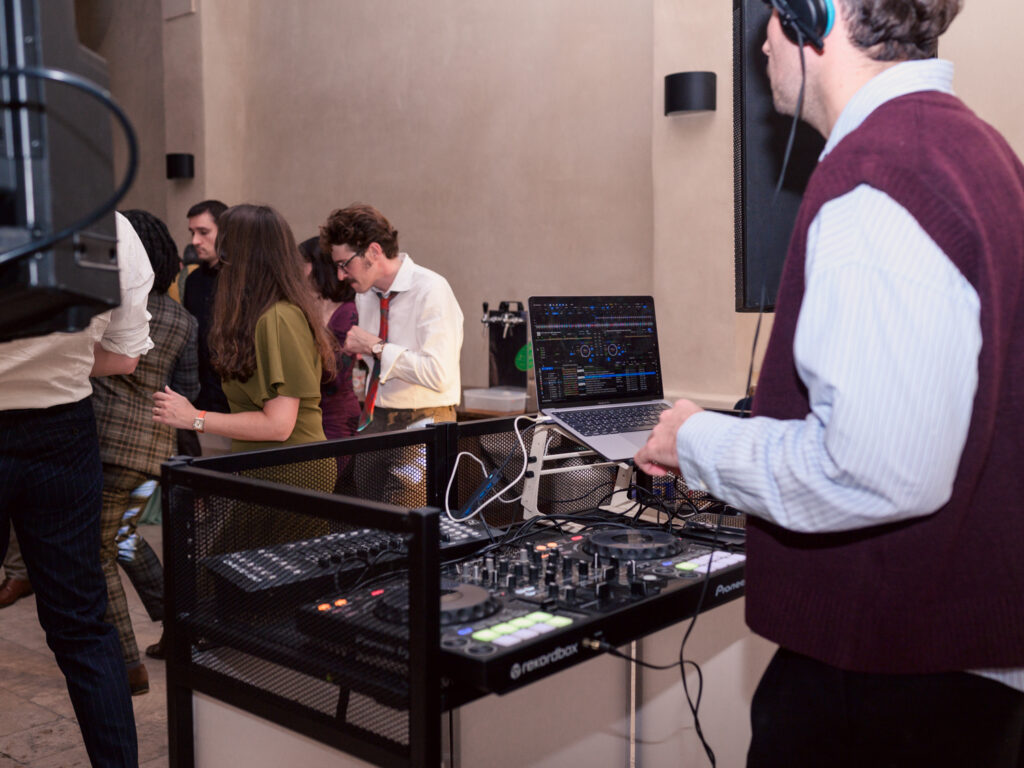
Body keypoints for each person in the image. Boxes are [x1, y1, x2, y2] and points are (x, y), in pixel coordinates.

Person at [635, 1, 1024, 764]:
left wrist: (697, 439)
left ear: (823, 13)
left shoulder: (877, 181)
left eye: (776, 17)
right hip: (950, 673)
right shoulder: (979, 150)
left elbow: (875, 472)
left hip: (892, 685)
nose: (764, 42)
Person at [0, 211, 152, 766]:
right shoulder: (101, 218)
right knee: (84, 625)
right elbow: (127, 354)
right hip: (61, 425)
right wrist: (53, 357)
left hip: (57, 425)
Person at [91, 209, 200, 688]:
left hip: (107, 445)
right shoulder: (183, 318)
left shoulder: (111, 303)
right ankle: (180, 630)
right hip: (154, 449)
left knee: (98, 552)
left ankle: (126, 663)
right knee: (128, 540)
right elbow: (188, 385)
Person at [154, 204, 337, 453]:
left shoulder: (279, 317)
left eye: (226, 253)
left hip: (290, 468)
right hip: (262, 462)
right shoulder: (262, 315)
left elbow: (279, 426)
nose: (222, 262)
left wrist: (194, 418)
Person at [319, 203, 464, 433]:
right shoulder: (364, 296)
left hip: (424, 419)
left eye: (345, 264)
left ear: (374, 252)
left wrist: (375, 347)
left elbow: (439, 374)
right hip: (373, 415)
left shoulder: (431, 289)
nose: (340, 275)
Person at [298, 236, 361, 440]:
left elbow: (334, 375)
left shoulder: (347, 312)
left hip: (336, 418)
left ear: (318, 266)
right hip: (309, 416)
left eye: (302, 263)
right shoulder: (305, 310)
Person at [181, 199, 231, 454]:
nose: (195, 241)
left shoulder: (240, 279)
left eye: (203, 232)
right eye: (192, 233)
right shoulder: (193, 281)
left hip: (238, 401)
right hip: (203, 398)